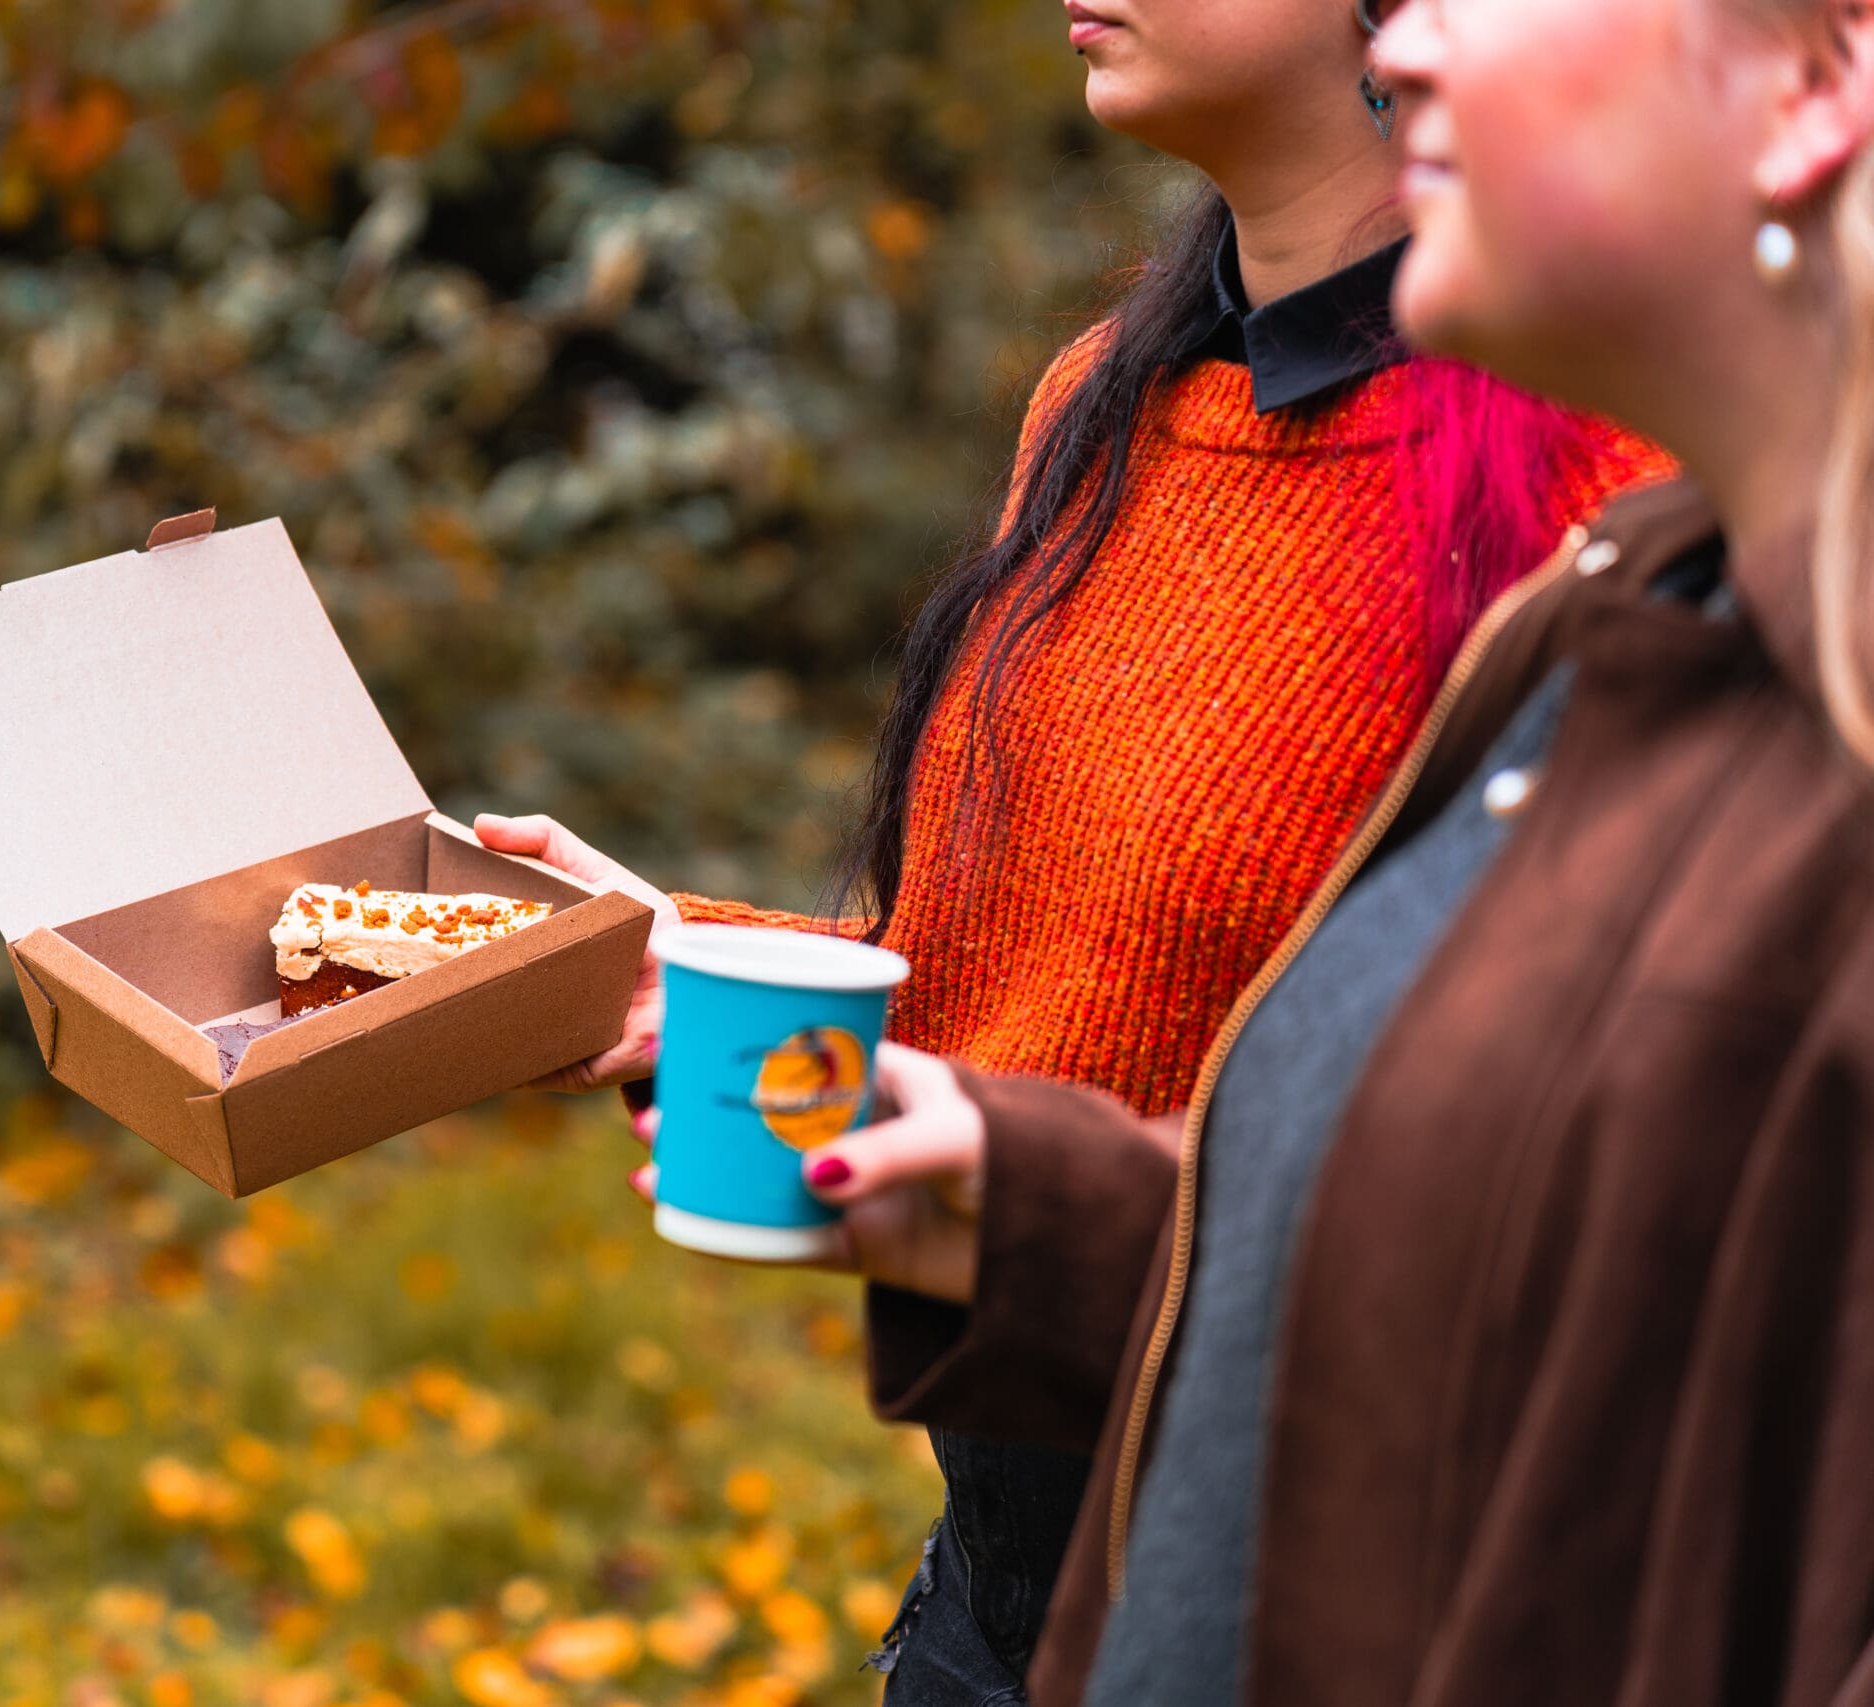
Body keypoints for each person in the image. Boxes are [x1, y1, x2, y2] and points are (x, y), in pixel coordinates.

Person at [479, 1, 1670, 1696]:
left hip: (1326, 1594)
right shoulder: (1102, 405)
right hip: (1002, 1565)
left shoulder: (1601, 474)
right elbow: (1030, 973)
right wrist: (689, 948)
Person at [744, 0, 1874, 1699]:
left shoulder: (1647, 604)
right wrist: (1020, 1197)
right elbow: (1455, 1268)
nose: (1402, 38)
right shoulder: (1634, 607)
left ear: (1815, 82)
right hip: (1024, 1575)